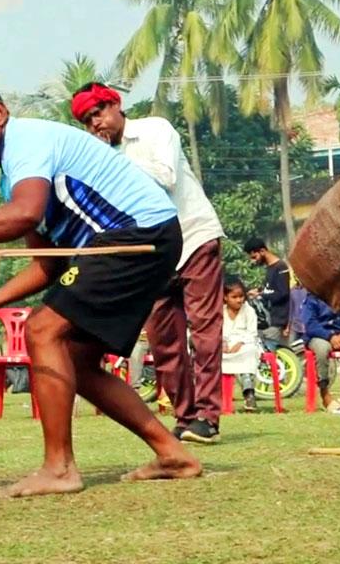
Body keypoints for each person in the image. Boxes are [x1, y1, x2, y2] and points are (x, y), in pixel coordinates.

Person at [0, 72, 201, 498]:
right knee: (74, 361)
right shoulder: (15, 175)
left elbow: (24, 213)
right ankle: (173, 452)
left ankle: (59, 469)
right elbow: (48, 265)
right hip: (137, 240)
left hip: (137, 235)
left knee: (42, 328)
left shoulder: (27, 143)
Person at [73, 82, 226, 444]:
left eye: (98, 113)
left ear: (115, 105)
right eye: (87, 120)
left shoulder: (155, 129)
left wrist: (111, 165)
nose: (96, 124)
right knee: (163, 340)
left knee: (204, 332)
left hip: (193, 236)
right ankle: (186, 417)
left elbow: (166, 178)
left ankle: (208, 416)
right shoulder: (99, 158)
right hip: (151, 254)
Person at [243, 238, 291, 350]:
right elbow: (270, 289)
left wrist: (261, 295)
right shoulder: (270, 268)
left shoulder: (280, 267)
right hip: (269, 321)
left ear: (262, 251)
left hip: (277, 321)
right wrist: (258, 291)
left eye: (254, 257)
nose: (254, 261)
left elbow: (283, 293)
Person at [221, 278, 261, 413]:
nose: (239, 300)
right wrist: (223, 343)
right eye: (234, 297)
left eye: (241, 296)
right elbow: (216, 331)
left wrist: (240, 343)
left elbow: (252, 333)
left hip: (245, 344)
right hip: (225, 348)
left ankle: (249, 394)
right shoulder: (219, 312)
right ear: (225, 297)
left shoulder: (249, 311)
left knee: (249, 352)